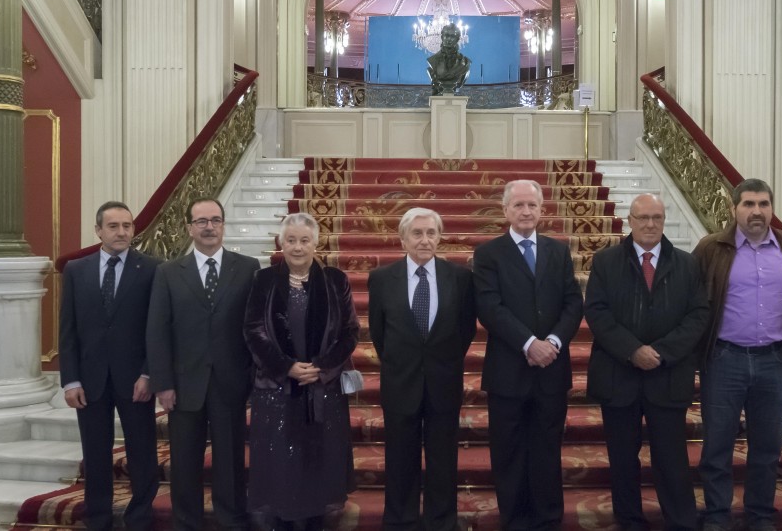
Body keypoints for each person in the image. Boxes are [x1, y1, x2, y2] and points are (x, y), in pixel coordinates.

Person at [583, 193, 709, 531]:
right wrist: (632, 350)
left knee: (672, 459)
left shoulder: (687, 264)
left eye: (657, 217)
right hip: (618, 375)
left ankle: (681, 522)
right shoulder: (606, 261)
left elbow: (698, 315)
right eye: (643, 218)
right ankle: (629, 521)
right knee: (623, 459)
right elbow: (596, 312)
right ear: (630, 221)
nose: (650, 224)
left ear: (664, 221)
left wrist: (662, 352)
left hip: (668, 376)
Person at [692, 179, 782, 531]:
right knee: (717, 445)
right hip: (724, 359)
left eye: (763, 204)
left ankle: (760, 515)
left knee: (768, 446)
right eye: (748, 204)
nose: (756, 211)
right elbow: (694, 302)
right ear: (733, 209)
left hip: (773, 361)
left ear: (772, 208)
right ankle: (717, 515)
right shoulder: (711, 249)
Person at [472, 179, 584, 530]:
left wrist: (553, 342)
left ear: (541, 210)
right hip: (508, 369)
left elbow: (572, 302)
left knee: (547, 447)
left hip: (552, 367)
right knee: (508, 449)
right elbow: (489, 307)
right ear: (505, 210)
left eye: (532, 205)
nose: (525, 211)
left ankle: (548, 517)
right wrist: (529, 343)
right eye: (518, 205)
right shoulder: (488, 254)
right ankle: (515, 518)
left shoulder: (558, 251)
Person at [146, 198, 260, 531]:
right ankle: (187, 523)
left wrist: (252, 377)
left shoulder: (248, 267)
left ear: (223, 224)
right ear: (189, 228)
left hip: (231, 382)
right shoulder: (168, 273)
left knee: (230, 460)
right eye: (201, 222)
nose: (209, 227)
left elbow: (255, 326)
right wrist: (163, 383)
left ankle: (232, 520)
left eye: (215, 220)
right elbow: (157, 331)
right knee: (184, 462)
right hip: (183, 385)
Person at [244, 212, 359, 531]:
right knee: (281, 463)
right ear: (281, 243)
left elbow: (349, 331)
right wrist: (287, 368)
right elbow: (254, 330)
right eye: (291, 240)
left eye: (304, 240)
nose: (297, 247)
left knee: (319, 462)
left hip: (323, 387)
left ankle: (314, 521)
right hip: (277, 388)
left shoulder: (335, 280)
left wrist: (321, 367)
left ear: (315, 243)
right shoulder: (264, 280)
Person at [367, 208, 477, 531]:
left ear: (439, 237)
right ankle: (401, 520)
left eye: (431, 233)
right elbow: (379, 333)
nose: (425, 240)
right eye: (417, 233)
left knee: (443, 458)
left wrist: (443, 361)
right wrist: (403, 362)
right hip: (400, 381)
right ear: (403, 239)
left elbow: (466, 329)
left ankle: (441, 521)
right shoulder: (381, 279)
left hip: (444, 380)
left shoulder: (460, 278)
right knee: (400, 458)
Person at [58, 201, 160, 531]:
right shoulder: (76, 270)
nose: (121, 232)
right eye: (113, 226)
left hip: (136, 380)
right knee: (95, 454)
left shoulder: (152, 269)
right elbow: (68, 329)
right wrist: (70, 380)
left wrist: (149, 373)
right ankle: (98, 518)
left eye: (127, 226)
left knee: (142, 452)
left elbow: (157, 329)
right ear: (98, 230)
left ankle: (139, 517)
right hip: (90, 380)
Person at [427, 22, 471, 95]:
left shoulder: (465, 62)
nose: (449, 39)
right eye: (446, 35)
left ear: (457, 39)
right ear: (442, 37)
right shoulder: (432, 60)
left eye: (453, 36)